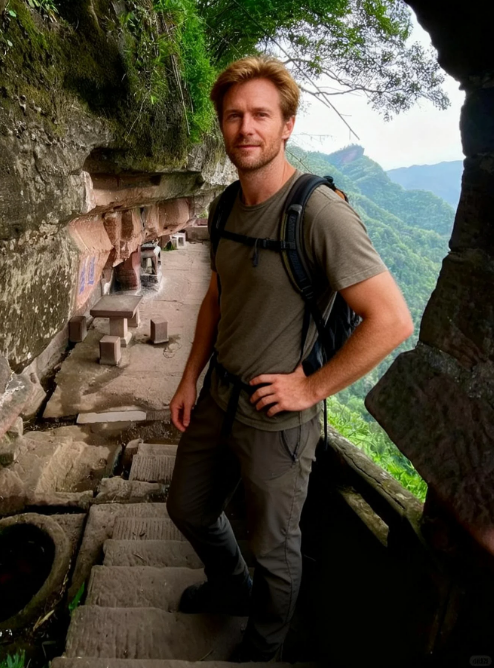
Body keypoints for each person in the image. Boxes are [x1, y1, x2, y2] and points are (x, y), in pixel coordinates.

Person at [166, 55, 413, 662]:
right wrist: (188, 377)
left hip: (279, 415)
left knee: (274, 546)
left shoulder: (319, 213)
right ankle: (230, 586)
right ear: (221, 127)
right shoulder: (226, 207)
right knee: (188, 506)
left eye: (260, 115)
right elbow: (218, 297)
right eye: (233, 116)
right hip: (218, 393)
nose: (245, 128)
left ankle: (266, 643)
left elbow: (393, 320)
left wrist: (311, 389)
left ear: (287, 126)